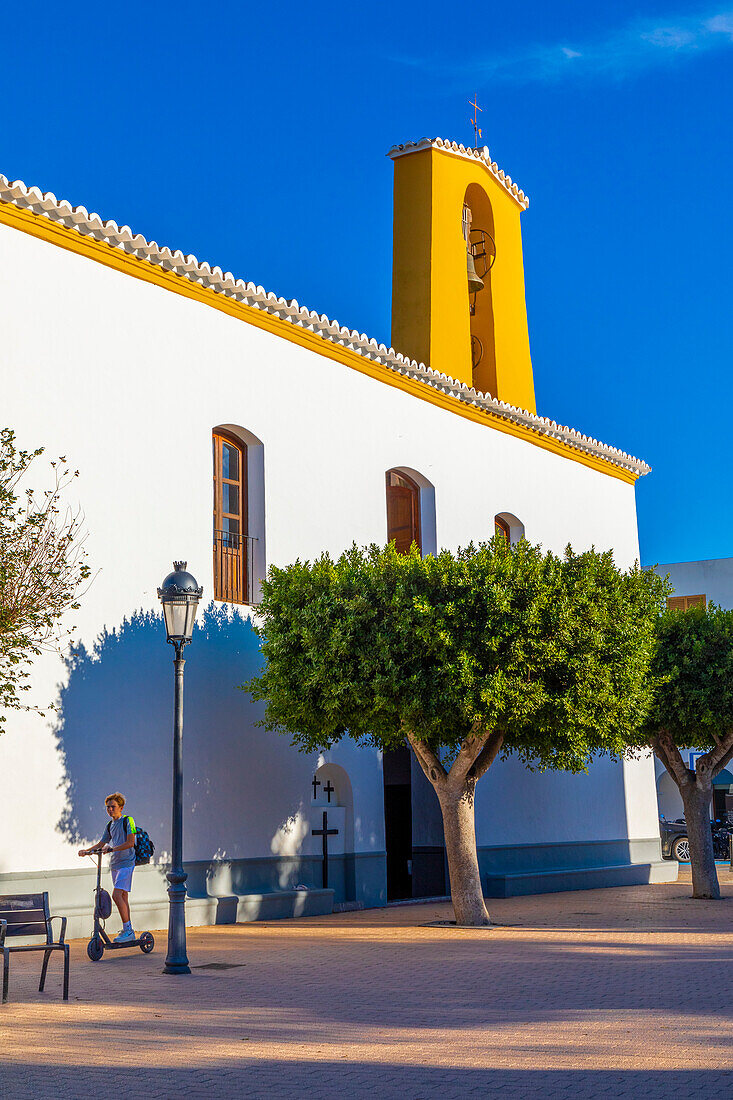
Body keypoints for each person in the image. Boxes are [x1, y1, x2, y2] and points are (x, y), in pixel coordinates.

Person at [78, 792, 137, 942]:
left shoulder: (128, 821)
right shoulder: (110, 825)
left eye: (113, 807)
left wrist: (112, 849)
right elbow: (101, 843)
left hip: (127, 863)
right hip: (115, 864)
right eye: (108, 807)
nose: (110, 809)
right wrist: (87, 851)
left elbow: (130, 842)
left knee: (116, 895)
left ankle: (128, 930)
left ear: (121, 807)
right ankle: (128, 930)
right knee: (123, 896)